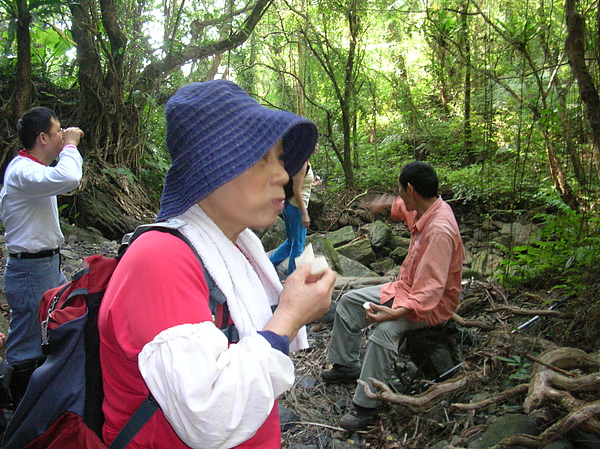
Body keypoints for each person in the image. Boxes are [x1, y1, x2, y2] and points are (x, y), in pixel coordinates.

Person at [98, 80, 336, 448]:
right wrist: (288, 318)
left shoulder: (237, 246)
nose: (284, 175)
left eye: (280, 159)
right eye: (263, 158)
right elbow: (208, 416)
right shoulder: (159, 260)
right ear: (212, 167)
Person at [321, 161, 464, 431]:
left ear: (411, 189)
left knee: (384, 332)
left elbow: (431, 291)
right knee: (351, 301)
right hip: (406, 289)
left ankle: (366, 404)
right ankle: (346, 365)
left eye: (399, 190)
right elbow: (405, 210)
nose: (398, 195)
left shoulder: (439, 230)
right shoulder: (427, 208)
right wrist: (385, 202)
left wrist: (394, 312)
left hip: (430, 306)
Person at [0, 107, 83, 406]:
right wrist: (71, 145)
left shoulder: (32, 169)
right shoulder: (24, 172)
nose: (62, 135)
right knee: (26, 346)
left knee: (64, 318)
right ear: (43, 137)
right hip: (32, 270)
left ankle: (42, 400)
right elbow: (70, 176)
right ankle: (16, 410)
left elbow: (62, 178)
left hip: (46, 265)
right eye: (58, 131)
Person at [269, 143, 321, 275]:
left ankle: (269, 265)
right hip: (297, 207)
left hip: (291, 205)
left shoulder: (304, 161)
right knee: (298, 245)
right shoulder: (302, 163)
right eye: (315, 143)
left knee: (291, 242)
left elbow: (299, 184)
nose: (317, 145)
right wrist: (305, 214)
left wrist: (312, 182)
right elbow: (296, 190)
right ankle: (291, 277)